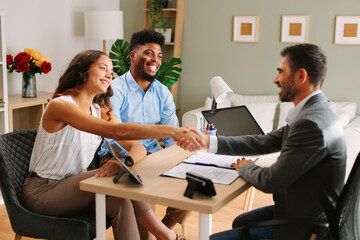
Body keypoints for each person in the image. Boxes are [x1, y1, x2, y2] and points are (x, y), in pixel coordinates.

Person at [21, 49, 203, 240]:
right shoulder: (60, 106)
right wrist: (171, 130)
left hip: (72, 189)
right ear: (82, 71)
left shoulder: (99, 110)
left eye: (111, 70)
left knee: (120, 200)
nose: (109, 74)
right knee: (122, 181)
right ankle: (168, 237)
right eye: (103, 68)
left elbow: (138, 147)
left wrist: (124, 163)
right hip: (42, 192)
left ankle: (165, 236)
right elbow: (116, 131)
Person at [179, 44, 346, 240]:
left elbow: (270, 180)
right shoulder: (316, 111)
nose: (276, 80)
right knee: (241, 222)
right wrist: (209, 141)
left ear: (301, 76)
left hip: (307, 228)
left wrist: (245, 168)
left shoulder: (311, 123)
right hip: (305, 210)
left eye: (281, 72)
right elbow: (263, 142)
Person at [99, 29, 189, 231]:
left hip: (153, 154)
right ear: (132, 55)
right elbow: (113, 135)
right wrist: (140, 155)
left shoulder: (162, 92)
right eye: (148, 53)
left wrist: (175, 157)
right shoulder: (116, 89)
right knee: (138, 198)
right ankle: (158, 233)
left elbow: (171, 133)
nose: (155, 60)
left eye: (158, 56)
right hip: (120, 155)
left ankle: (164, 230)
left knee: (191, 181)